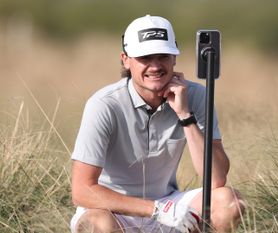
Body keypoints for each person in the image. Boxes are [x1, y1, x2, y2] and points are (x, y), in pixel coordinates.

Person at [70, 15, 244, 233]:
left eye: (163, 56)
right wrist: (157, 210)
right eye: (145, 57)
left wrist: (185, 115)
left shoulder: (195, 96)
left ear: (174, 57)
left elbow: (216, 179)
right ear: (126, 59)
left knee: (229, 202)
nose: (155, 66)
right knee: (99, 225)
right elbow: (82, 190)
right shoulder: (104, 104)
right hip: (113, 211)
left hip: (168, 203)